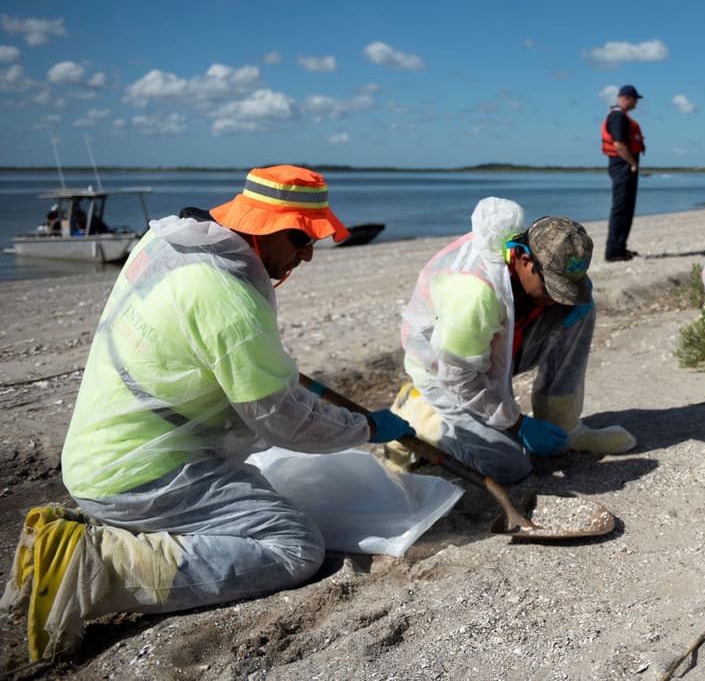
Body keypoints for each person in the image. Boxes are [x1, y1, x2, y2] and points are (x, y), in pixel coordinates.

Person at [1, 165, 414, 663]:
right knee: (294, 545)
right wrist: (365, 427)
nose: (307, 252)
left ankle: (120, 533)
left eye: (313, 239)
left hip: (102, 451)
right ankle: (94, 563)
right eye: (299, 237)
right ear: (261, 226)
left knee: (261, 496)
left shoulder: (172, 242)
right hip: (137, 471)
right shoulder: (232, 300)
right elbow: (284, 421)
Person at [389, 197, 635, 485]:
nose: (556, 297)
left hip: (493, 353)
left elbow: (565, 296)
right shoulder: (474, 293)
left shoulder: (544, 280)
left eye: (565, 286)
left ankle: (564, 425)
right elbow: (458, 379)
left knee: (581, 308)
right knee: (508, 466)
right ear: (525, 260)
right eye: (549, 287)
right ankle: (420, 416)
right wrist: (518, 424)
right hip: (442, 372)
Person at [601, 84, 645, 262]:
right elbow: (619, 144)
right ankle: (613, 251)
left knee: (626, 208)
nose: (636, 103)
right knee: (621, 208)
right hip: (622, 166)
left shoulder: (621, 116)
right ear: (628, 98)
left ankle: (620, 247)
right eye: (635, 99)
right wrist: (632, 163)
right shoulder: (618, 117)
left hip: (623, 166)